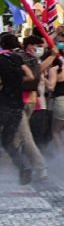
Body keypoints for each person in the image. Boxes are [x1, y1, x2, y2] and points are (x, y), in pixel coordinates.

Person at [11, 35, 48, 179]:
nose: (39, 48)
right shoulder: (32, 60)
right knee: (17, 134)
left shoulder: (17, 58)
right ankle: (16, 164)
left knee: (25, 136)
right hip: (30, 100)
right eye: (36, 45)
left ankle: (41, 166)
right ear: (28, 45)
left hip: (20, 101)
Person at [0, 34, 35, 184]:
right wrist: (16, 81)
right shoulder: (17, 58)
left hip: (3, 103)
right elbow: (30, 76)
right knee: (7, 141)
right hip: (17, 104)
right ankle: (23, 167)